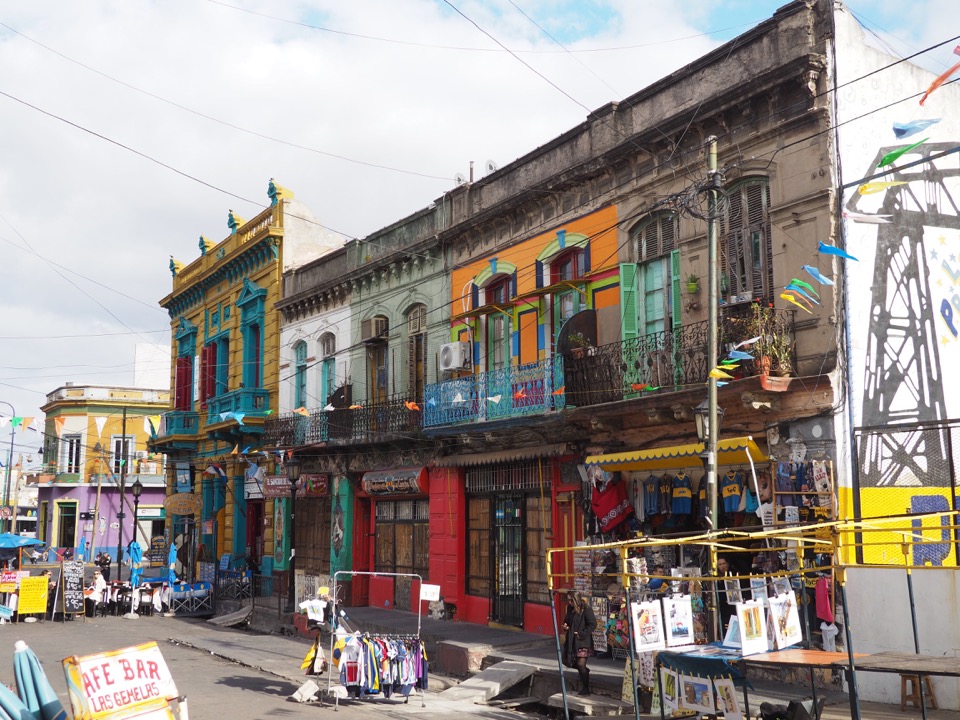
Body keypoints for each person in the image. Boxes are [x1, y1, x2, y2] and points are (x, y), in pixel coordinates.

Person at [561, 589, 597, 696]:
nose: (569, 602)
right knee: (566, 661)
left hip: (582, 641)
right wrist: (565, 626)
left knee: (581, 664)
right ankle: (585, 672)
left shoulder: (586, 609)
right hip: (571, 640)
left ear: (575, 599)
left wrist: (581, 633)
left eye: (570, 600)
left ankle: (585, 688)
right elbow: (567, 621)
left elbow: (592, 624)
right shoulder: (570, 609)